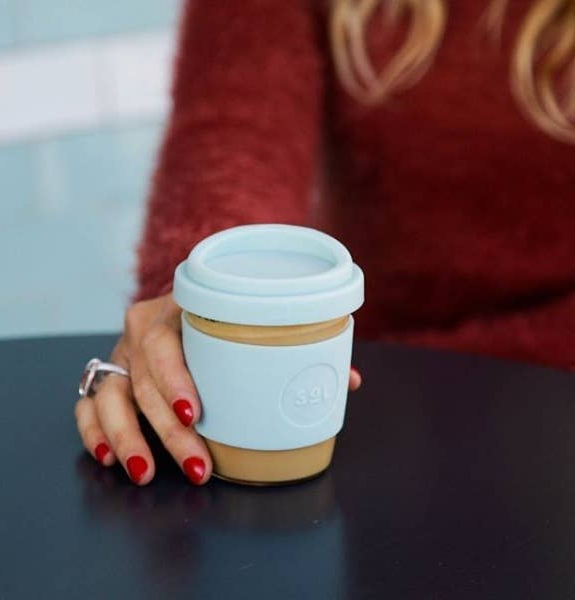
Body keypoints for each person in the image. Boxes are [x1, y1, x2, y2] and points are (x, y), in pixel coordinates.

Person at [74, 0, 575, 486]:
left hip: (515, 410)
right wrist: (194, 312)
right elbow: (236, 127)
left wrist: (407, 383)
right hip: (354, 405)